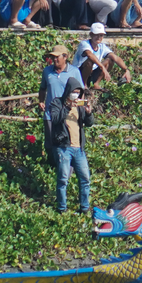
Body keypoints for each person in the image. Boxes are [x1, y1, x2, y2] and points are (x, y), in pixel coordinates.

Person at [49, 77, 94, 213]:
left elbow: (89, 123)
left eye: (78, 92)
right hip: (63, 147)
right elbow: (55, 119)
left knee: (85, 178)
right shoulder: (57, 103)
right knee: (63, 179)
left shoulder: (79, 107)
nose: (76, 94)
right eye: (74, 91)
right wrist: (68, 107)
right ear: (68, 91)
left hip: (79, 148)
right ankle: (62, 208)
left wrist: (88, 113)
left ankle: (84, 208)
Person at [39, 44, 84, 167]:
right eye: (53, 57)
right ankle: (53, 167)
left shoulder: (74, 72)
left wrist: (79, 108)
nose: (54, 59)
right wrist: (41, 101)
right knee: (50, 144)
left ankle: (68, 167)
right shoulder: (47, 71)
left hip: (68, 113)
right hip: (50, 114)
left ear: (65, 57)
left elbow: (81, 92)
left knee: (67, 142)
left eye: (57, 57)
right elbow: (43, 88)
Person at [73, 23, 132, 88]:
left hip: (93, 72)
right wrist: (102, 67)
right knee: (89, 62)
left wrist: (126, 70)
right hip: (80, 73)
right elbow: (90, 55)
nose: (99, 37)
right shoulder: (84, 43)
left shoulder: (102, 46)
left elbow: (114, 57)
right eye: (96, 35)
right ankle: (83, 85)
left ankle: (96, 83)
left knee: (109, 60)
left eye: (101, 35)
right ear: (91, 34)